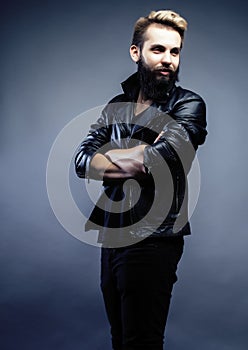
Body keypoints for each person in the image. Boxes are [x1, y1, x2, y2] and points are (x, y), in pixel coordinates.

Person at [75, 9, 207, 350]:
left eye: (174, 52)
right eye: (158, 50)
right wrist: (133, 157)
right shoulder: (116, 106)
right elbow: (81, 160)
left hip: (155, 236)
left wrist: (111, 160)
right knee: (119, 337)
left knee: (142, 341)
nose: (168, 60)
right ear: (137, 52)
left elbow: (159, 159)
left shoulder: (188, 104)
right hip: (112, 233)